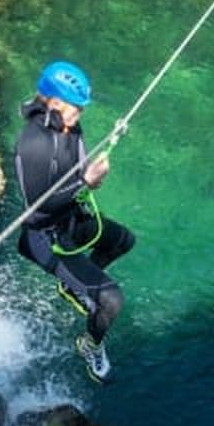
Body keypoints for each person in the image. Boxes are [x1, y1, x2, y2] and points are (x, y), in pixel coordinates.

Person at [14, 61, 135, 384]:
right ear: (54, 102)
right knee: (112, 301)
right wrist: (86, 182)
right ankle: (91, 345)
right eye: (76, 108)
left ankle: (73, 285)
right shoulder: (32, 144)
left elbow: (76, 168)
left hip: (70, 218)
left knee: (123, 240)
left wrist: (106, 147)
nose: (80, 114)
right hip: (44, 237)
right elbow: (38, 209)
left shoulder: (68, 127)